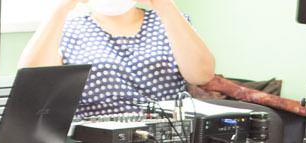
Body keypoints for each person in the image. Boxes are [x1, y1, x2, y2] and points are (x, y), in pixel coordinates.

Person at [20, 0, 215, 121]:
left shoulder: (168, 22)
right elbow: (33, 80)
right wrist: (62, 8)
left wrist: (165, 6)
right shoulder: (70, 29)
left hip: (167, 142)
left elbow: (201, 74)